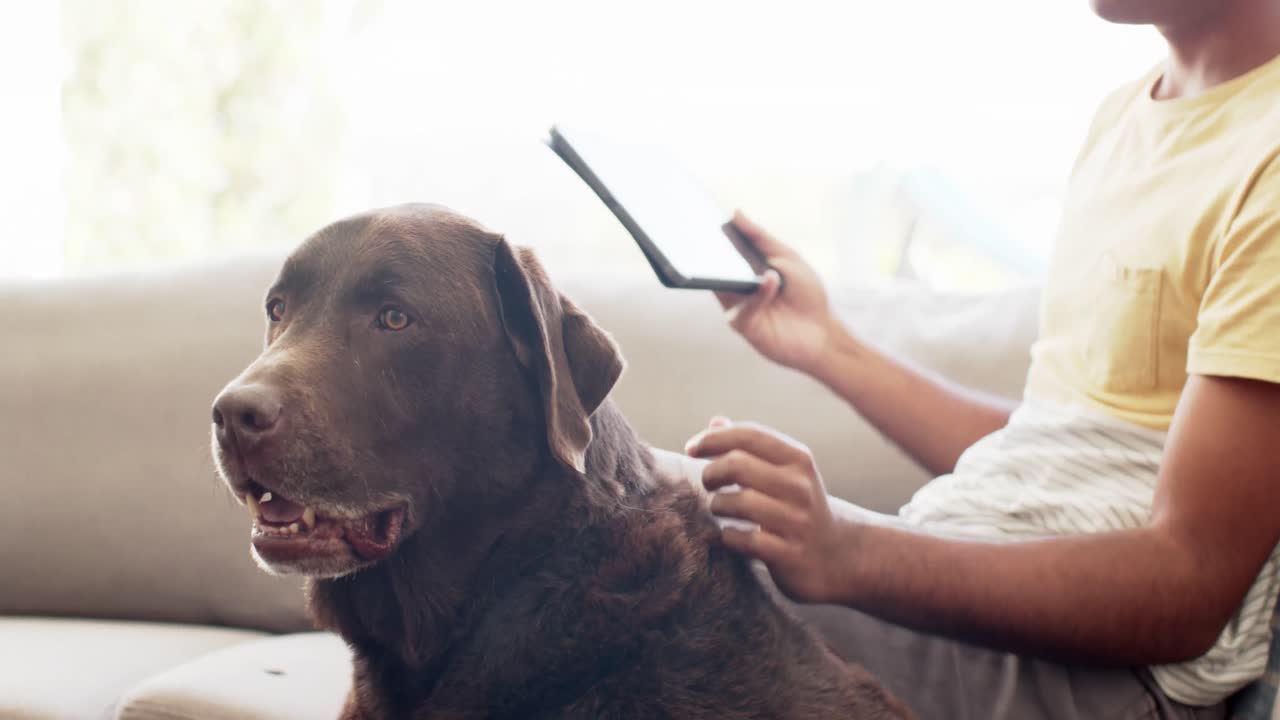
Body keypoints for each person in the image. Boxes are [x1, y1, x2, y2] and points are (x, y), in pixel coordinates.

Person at [684, 1, 1280, 718]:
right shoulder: (1124, 117)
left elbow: (1188, 586)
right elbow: (1054, 452)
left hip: (1112, 680)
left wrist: (851, 550)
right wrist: (829, 346)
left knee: (643, 532)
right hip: (988, 574)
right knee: (648, 513)